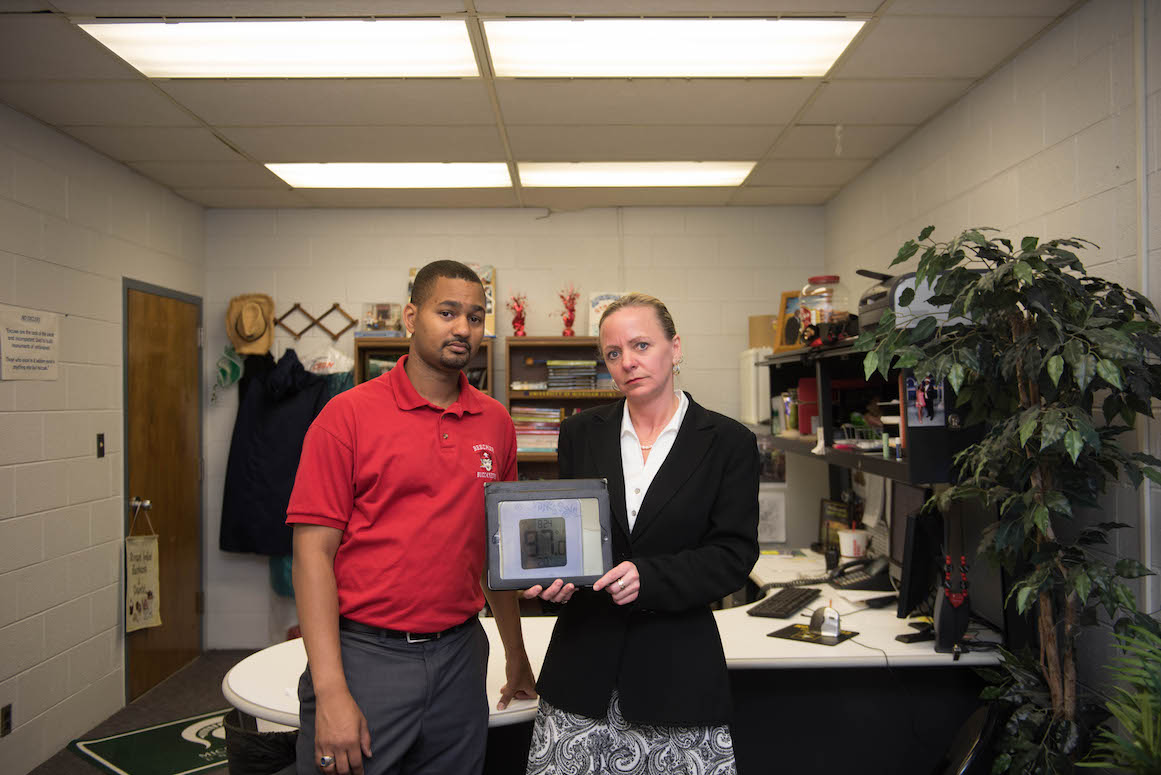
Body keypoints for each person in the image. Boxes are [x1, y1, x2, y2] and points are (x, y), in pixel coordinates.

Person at [287, 260, 537, 775]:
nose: (462, 328)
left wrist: (515, 652)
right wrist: (332, 690)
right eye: (447, 312)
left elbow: (498, 552)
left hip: (461, 655)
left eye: (474, 316)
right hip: (365, 655)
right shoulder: (346, 417)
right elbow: (312, 555)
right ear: (410, 317)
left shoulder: (496, 422)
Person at [523, 293, 760, 774]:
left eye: (641, 345)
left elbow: (733, 554)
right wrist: (555, 580)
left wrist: (648, 578)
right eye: (613, 353)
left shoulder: (729, 442)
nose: (628, 362)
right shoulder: (580, 433)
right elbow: (573, 537)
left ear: (675, 347)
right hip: (582, 672)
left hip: (676, 675)